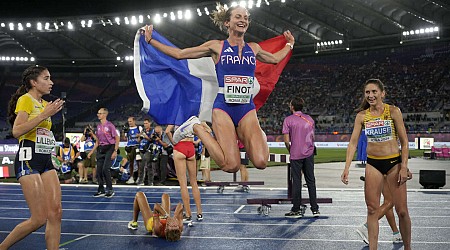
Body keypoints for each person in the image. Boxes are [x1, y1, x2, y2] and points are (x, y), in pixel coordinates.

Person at [143, 3, 294, 173]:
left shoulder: (254, 48)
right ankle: (196, 127)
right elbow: (180, 54)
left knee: (261, 162)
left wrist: (289, 45)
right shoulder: (217, 46)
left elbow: (274, 59)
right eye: (238, 17)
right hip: (224, 107)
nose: (243, 20)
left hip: (246, 108)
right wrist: (151, 41)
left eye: (245, 17)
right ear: (227, 23)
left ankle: (258, 134)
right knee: (231, 166)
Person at [341, 79, 411, 250]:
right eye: (367, 92)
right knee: (372, 210)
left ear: (382, 93)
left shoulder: (393, 111)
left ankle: (408, 247)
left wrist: (403, 166)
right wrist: (346, 168)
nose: (371, 95)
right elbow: (352, 143)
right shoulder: (362, 116)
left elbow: (405, 142)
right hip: (373, 164)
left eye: (374, 92)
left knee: (401, 211)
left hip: (394, 164)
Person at [2, 65, 64, 250]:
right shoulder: (26, 100)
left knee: (56, 212)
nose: (51, 82)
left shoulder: (46, 105)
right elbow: (17, 130)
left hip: (46, 158)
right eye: (46, 78)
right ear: (33, 82)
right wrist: (45, 115)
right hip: (28, 158)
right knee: (38, 218)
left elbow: (44, 133)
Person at [283, 96, 320, 218]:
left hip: (296, 154)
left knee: (297, 182)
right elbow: (312, 137)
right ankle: (315, 209)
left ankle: (296, 209)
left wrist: (291, 150)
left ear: (292, 107)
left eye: (290, 105)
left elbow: (286, 141)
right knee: (311, 181)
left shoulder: (288, 120)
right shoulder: (309, 119)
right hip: (308, 153)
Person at [357, 170, 413, 244]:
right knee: (390, 202)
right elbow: (398, 158)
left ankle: (396, 234)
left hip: (380, 168)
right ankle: (366, 226)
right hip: (388, 168)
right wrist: (406, 169)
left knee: (388, 202)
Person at [166, 125, 203, 223]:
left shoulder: (175, 116)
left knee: (183, 184)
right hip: (190, 147)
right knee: (194, 182)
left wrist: (173, 142)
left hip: (179, 146)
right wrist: (197, 141)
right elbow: (206, 130)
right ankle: (199, 213)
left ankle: (188, 214)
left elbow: (167, 131)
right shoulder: (192, 118)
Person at [94, 107, 119, 198]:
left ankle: (110, 189)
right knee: (99, 170)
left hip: (110, 147)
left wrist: (115, 151)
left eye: (100, 113)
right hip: (101, 148)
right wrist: (92, 151)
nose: (98, 115)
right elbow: (98, 140)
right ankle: (101, 189)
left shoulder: (110, 125)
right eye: (98, 113)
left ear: (105, 114)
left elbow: (117, 138)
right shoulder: (99, 126)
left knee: (105, 169)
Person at [123, 116, 142, 184]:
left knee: (138, 163)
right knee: (131, 163)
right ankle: (131, 177)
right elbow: (125, 138)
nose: (129, 123)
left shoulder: (139, 128)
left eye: (130, 121)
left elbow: (142, 135)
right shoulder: (127, 129)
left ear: (134, 121)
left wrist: (139, 135)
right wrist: (124, 131)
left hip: (137, 146)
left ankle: (139, 177)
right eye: (128, 121)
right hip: (130, 147)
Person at [136, 118, 153, 185]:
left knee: (149, 166)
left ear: (149, 123)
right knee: (141, 166)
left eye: (146, 123)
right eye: (144, 123)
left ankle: (150, 182)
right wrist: (140, 137)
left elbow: (151, 140)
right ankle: (141, 181)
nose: (145, 125)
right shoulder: (143, 130)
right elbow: (138, 141)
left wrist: (146, 137)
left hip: (148, 149)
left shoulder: (152, 130)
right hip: (141, 149)